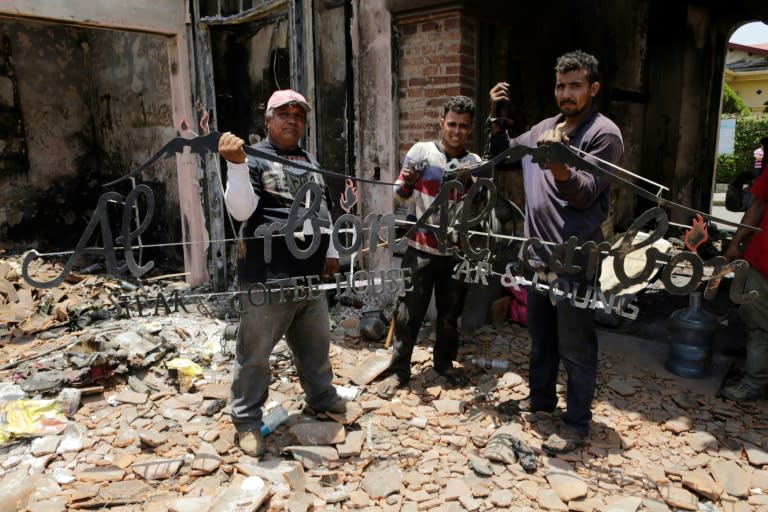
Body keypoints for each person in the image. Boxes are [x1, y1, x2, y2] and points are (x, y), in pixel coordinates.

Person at [488, 50, 624, 454]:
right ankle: (542, 399)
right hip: (536, 256)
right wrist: (496, 118)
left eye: (575, 85)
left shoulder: (604, 134)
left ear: (593, 89)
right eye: (561, 85)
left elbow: (584, 194)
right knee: (541, 338)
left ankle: (577, 422)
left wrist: (559, 165)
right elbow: (505, 158)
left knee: (576, 345)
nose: (566, 93)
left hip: (575, 259)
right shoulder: (544, 128)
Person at [219, 89, 352, 457]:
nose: (292, 120)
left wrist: (330, 250)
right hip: (267, 277)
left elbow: (323, 209)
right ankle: (246, 421)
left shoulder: (309, 160)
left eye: (299, 115)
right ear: (268, 119)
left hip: (309, 279)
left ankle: (321, 399)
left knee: (316, 348)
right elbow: (242, 211)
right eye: (284, 114)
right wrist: (234, 165)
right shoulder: (253, 157)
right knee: (255, 356)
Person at [376, 95, 482, 398]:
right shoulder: (421, 153)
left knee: (450, 316)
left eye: (463, 126)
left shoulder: (472, 163)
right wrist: (408, 181)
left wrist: (475, 185)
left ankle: (444, 364)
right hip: (420, 248)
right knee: (408, 312)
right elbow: (399, 196)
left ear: (470, 128)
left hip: (455, 252)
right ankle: (399, 371)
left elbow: (479, 206)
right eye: (452, 124)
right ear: (441, 123)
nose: (456, 131)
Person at [720, 167, 768, 401]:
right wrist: (735, 243)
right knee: (757, 322)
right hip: (763, 260)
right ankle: (755, 380)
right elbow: (757, 205)